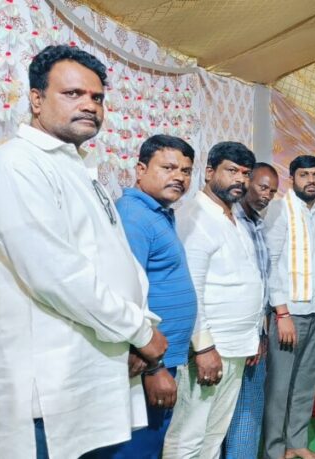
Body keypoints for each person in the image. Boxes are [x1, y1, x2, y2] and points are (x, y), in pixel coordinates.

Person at [0, 44, 167, 458]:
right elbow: (56, 275)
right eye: (73, 94)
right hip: (52, 391)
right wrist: (141, 332)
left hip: (96, 373)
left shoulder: (77, 166)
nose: (89, 105)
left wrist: (136, 328)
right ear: (36, 99)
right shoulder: (16, 164)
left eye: (97, 97)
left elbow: (117, 263)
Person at [164, 142, 264, 458]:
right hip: (209, 350)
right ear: (210, 172)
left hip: (236, 346)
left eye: (245, 174)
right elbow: (190, 290)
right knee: (189, 434)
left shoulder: (234, 218)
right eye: (231, 171)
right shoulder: (193, 218)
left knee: (214, 433)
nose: (240, 180)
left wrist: (252, 336)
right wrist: (204, 347)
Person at [108, 135, 199, 459]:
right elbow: (125, 295)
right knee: (136, 451)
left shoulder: (157, 211)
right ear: (141, 169)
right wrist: (152, 367)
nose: (179, 176)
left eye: (186, 171)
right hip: (147, 361)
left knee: (150, 448)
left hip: (161, 357)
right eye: (169, 167)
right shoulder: (133, 216)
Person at [262, 156, 315, 459]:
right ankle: (274, 450)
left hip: (314, 312)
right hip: (288, 315)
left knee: (304, 384)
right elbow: (270, 263)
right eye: (304, 175)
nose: (311, 181)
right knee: (279, 386)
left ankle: (296, 444)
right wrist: (282, 312)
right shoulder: (280, 209)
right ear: (292, 178)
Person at [223, 162, 279, 459]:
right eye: (262, 186)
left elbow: (260, 282)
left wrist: (261, 330)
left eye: (272, 190)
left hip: (256, 329)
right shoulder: (231, 222)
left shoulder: (256, 224)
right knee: (224, 411)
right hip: (229, 334)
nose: (267, 194)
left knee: (249, 405)